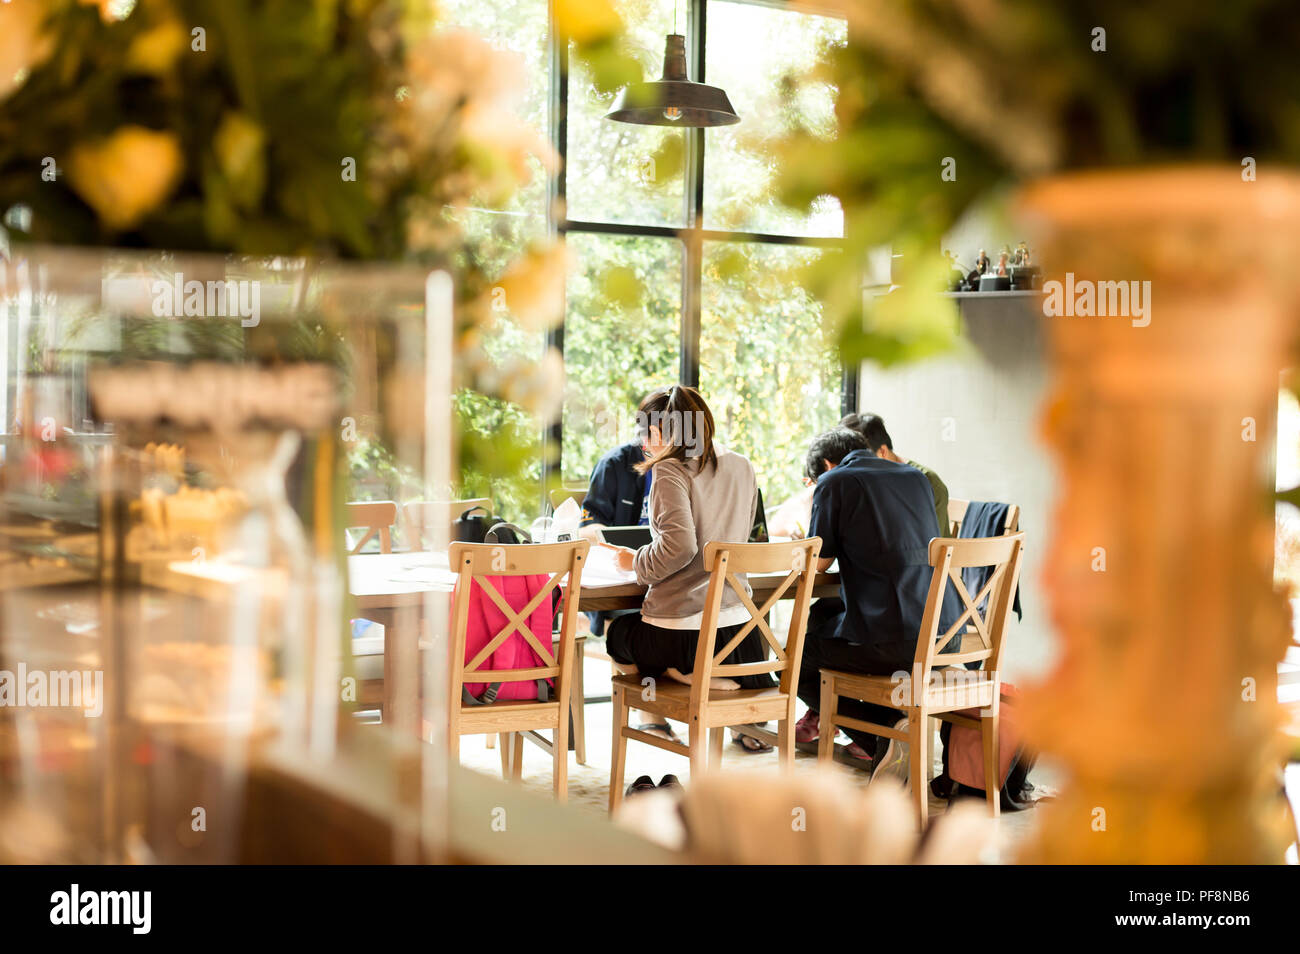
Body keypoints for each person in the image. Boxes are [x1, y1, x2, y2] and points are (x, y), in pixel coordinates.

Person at [603, 386, 775, 754]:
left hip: (685, 636)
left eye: (644, 431)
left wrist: (633, 562)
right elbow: (740, 538)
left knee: (617, 634)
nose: (642, 441)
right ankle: (695, 681)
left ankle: (658, 710)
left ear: (663, 433)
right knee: (637, 633)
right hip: (739, 634)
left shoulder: (668, 470)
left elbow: (680, 547)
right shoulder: (742, 465)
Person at [793, 429, 962, 776]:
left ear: (826, 466)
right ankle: (887, 731)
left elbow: (816, 565)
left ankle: (882, 736)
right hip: (947, 636)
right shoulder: (916, 478)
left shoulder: (835, 482)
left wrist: (802, 545)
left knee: (796, 662)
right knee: (823, 613)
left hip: (899, 645)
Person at [578, 387, 669, 637]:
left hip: (666, 581)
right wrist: (618, 543)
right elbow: (587, 529)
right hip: (624, 583)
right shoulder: (613, 465)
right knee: (657, 627)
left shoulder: (684, 468)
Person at [840, 412, 951, 536]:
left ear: (882, 452)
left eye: (859, 458)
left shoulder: (927, 482)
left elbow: (927, 546)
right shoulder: (865, 482)